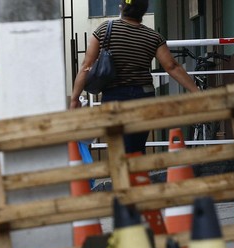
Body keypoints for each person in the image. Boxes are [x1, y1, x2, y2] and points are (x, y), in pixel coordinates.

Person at [69, 0, 199, 154]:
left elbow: (86, 65)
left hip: (114, 97)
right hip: (144, 96)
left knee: (118, 148)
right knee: (137, 148)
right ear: (143, 12)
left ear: (121, 7)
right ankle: (139, 176)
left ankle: (122, 177)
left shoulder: (105, 29)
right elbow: (172, 66)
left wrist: (75, 98)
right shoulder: (153, 37)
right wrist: (196, 92)